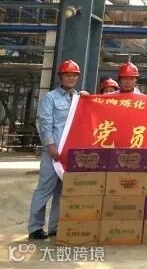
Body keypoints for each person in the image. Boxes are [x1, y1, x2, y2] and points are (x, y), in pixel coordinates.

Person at [28, 60, 84, 240]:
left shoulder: (79, 98)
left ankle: (55, 226)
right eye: (68, 75)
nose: (71, 78)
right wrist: (51, 146)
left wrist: (87, 98)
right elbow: (45, 123)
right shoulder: (50, 98)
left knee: (62, 191)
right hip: (53, 153)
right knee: (45, 189)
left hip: (69, 154)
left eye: (74, 75)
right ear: (61, 77)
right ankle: (35, 227)